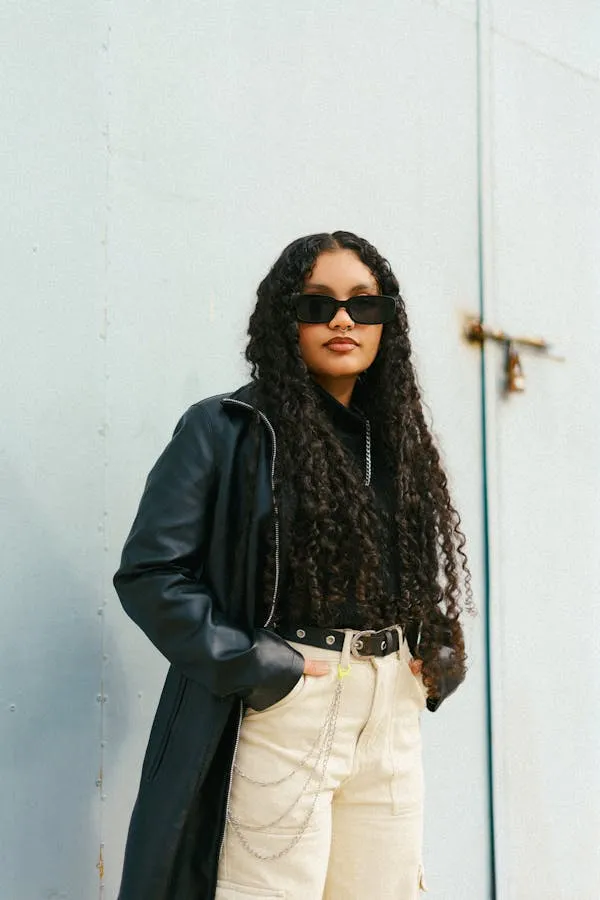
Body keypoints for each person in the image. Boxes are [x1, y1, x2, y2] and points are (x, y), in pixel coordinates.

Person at [113, 230, 474, 900]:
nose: (343, 320)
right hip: (291, 708)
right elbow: (150, 574)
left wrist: (440, 644)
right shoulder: (225, 428)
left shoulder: (396, 441)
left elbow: (404, 582)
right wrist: (255, 666)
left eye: (364, 306)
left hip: (389, 717)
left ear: (384, 323)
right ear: (287, 319)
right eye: (319, 304)